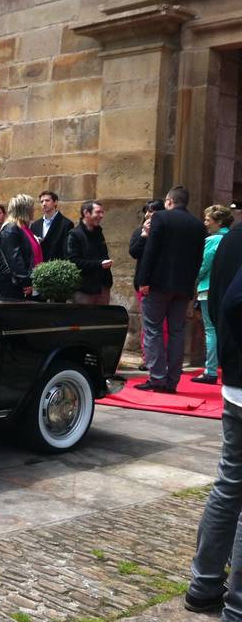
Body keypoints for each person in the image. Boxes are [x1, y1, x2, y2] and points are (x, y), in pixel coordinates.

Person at [184, 221, 242, 616]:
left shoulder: (231, 236)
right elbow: (235, 301)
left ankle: (204, 584)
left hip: (235, 379)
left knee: (230, 483)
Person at [134, 186, 207, 394]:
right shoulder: (198, 225)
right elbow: (197, 260)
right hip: (182, 287)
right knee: (176, 332)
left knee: (153, 330)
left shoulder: (161, 218)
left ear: (169, 201)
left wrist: (143, 280)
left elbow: (151, 250)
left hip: (157, 284)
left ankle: (157, 378)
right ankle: (172, 380)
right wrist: (190, 285)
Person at [194, 204, 234, 384]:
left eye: (208, 220)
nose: (205, 223)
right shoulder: (231, 237)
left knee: (211, 330)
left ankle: (210, 370)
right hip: (228, 288)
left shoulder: (212, 240)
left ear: (218, 222)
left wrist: (193, 280)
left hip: (208, 288)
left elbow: (203, 266)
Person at [130, 200, 167, 370]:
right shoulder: (139, 231)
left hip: (162, 282)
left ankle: (163, 357)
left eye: (151, 212)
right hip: (143, 282)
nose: (147, 215)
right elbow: (134, 252)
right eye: (146, 212)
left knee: (165, 324)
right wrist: (144, 235)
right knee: (148, 324)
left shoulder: (167, 232)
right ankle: (148, 358)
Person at [0, 194, 42, 300]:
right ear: (24, 210)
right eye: (31, 207)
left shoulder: (23, 227)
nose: (33, 210)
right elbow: (14, 259)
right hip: (14, 284)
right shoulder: (11, 228)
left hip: (23, 283)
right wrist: (26, 282)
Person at [66, 200, 113, 304]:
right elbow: (74, 262)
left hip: (102, 287)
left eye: (102, 212)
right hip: (84, 289)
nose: (101, 215)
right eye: (98, 212)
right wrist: (99, 264)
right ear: (86, 213)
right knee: (83, 319)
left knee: (102, 320)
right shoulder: (74, 235)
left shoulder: (98, 233)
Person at [30, 190, 75, 262]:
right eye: (42, 201)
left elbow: (67, 251)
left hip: (57, 267)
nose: (44, 204)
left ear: (55, 202)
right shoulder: (35, 225)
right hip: (38, 267)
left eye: (47, 200)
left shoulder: (66, 224)